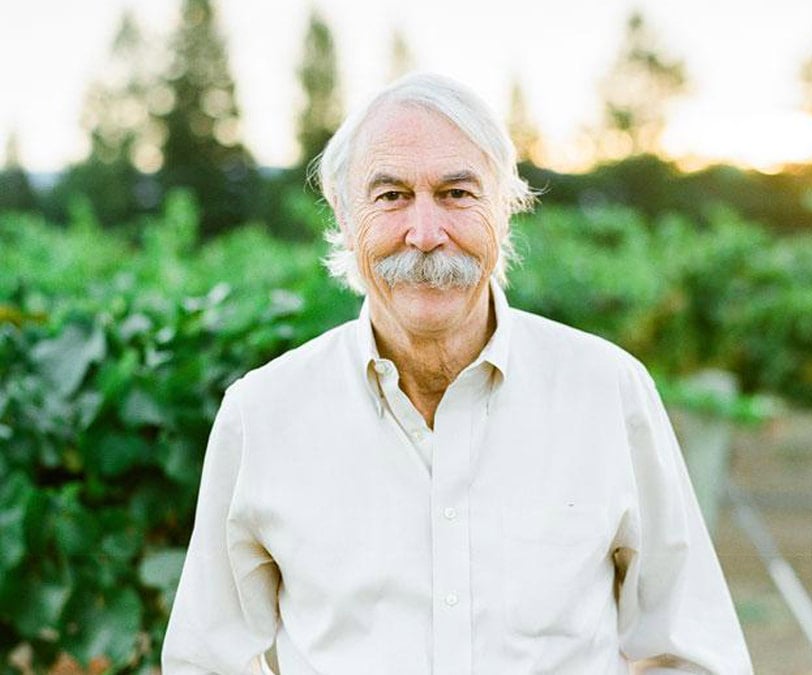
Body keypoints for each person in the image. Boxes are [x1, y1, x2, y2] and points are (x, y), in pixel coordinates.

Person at [162, 73, 753, 674]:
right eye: (390, 196)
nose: (424, 234)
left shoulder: (608, 392)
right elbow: (207, 660)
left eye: (456, 194)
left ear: (505, 207)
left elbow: (689, 651)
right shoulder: (263, 414)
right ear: (343, 212)